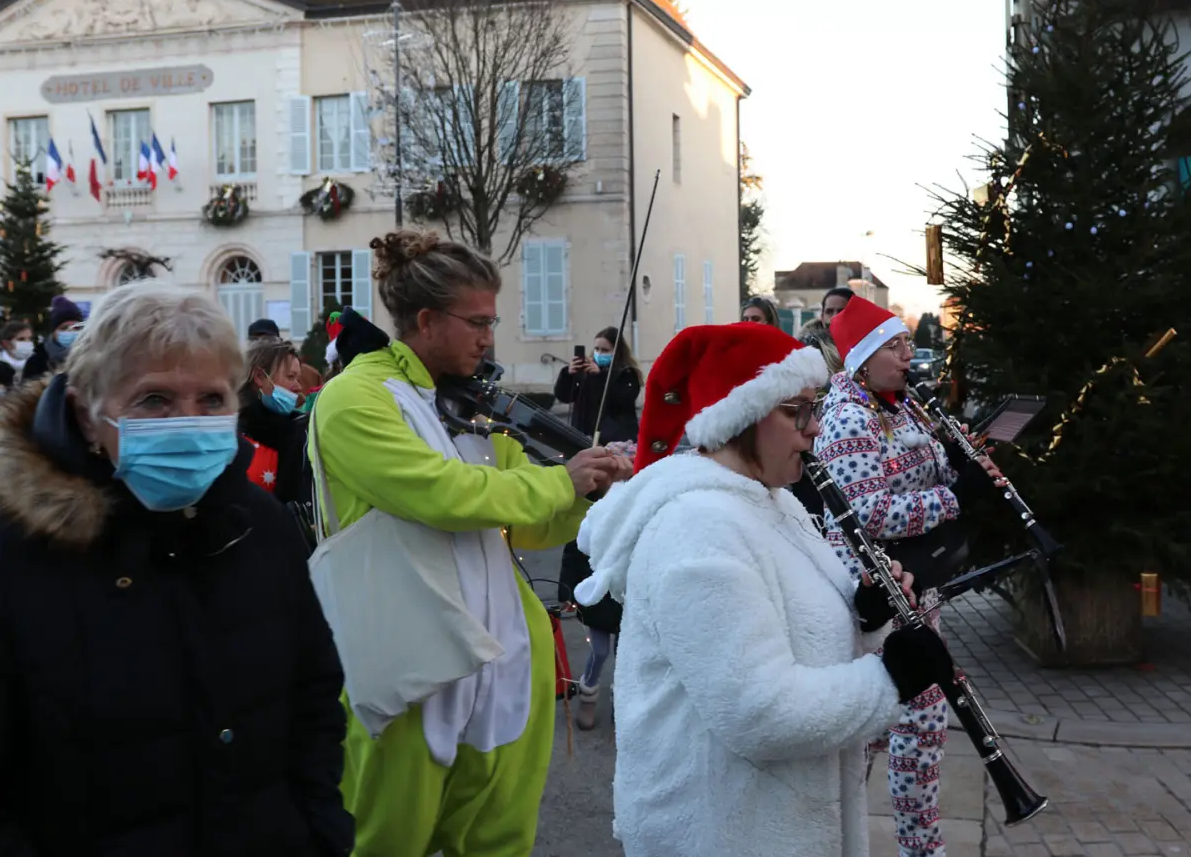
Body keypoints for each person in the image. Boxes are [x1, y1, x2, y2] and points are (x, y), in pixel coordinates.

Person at [573, 322, 956, 857]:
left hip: (775, 818)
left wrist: (865, 614)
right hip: (724, 833)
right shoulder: (698, 529)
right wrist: (889, 679)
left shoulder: (774, 499)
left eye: (814, 407)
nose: (815, 427)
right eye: (797, 410)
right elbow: (759, 713)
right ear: (742, 417)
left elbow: (799, 631)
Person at [0, 280, 352, 856]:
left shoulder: (259, 527)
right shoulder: (17, 553)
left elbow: (313, 701)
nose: (187, 422)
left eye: (211, 400)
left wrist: (321, 831)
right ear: (86, 415)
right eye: (154, 400)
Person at [310, 230, 628, 857]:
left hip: (504, 667)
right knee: (384, 843)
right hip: (409, 668)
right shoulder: (354, 397)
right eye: (477, 322)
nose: (489, 338)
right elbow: (444, 495)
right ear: (427, 321)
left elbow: (525, 523)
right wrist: (560, 480)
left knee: (500, 843)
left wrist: (588, 489)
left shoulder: (469, 401)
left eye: (493, 322)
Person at [815, 294, 1006, 857]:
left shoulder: (903, 407)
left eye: (906, 344)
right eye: (895, 346)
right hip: (872, 596)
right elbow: (868, 513)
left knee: (916, 727)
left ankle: (914, 846)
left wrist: (964, 462)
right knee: (881, 729)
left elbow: (935, 473)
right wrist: (956, 497)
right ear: (863, 359)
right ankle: (842, 839)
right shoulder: (848, 417)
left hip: (916, 589)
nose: (908, 356)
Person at [554, 325, 641, 731]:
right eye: (595, 349)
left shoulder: (624, 375)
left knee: (625, 653)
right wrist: (573, 374)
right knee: (599, 650)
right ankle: (588, 692)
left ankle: (623, 703)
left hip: (621, 596)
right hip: (596, 597)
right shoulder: (590, 513)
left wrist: (600, 374)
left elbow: (623, 398)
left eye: (605, 349)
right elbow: (563, 394)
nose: (598, 353)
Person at [239, 336, 313, 512]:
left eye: (298, 378)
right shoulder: (233, 435)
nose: (298, 387)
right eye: (290, 376)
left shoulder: (302, 431)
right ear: (259, 377)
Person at [23, 295, 84, 380]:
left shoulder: (91, 357)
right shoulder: (37, 361)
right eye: (64, 328)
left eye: (76, 328)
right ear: (53, 331)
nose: (71, 332)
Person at [0, 319, 33, 393]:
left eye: (30, 339)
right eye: (21, 339)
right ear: (6, 343)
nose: (27, 342)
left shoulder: (38, 362)